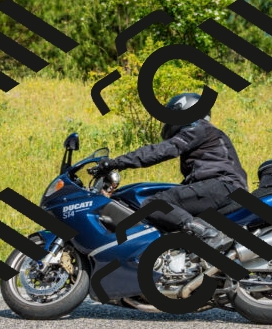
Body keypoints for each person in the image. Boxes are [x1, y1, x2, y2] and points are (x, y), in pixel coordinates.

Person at [96, 92, 248, 251]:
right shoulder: (207, 133)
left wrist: (116, 162)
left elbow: (162, 150)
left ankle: (208, 234)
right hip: (225, 188)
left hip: (222, 186)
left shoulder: (198, 128)